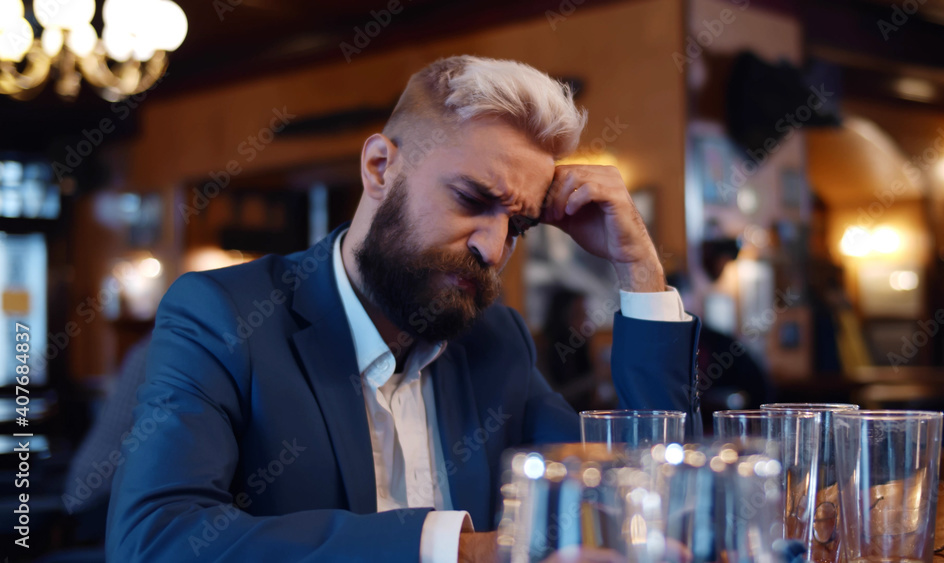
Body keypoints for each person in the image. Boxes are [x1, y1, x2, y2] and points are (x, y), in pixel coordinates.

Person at [106, 55, 701, 562]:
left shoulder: (495, 341)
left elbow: (649, 496)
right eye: (471, 199)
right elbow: (155, 538)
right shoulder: (225, 316)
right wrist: (456, 550)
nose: (491, 248)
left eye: (516, 225)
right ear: (380, 167)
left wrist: (639, 268)